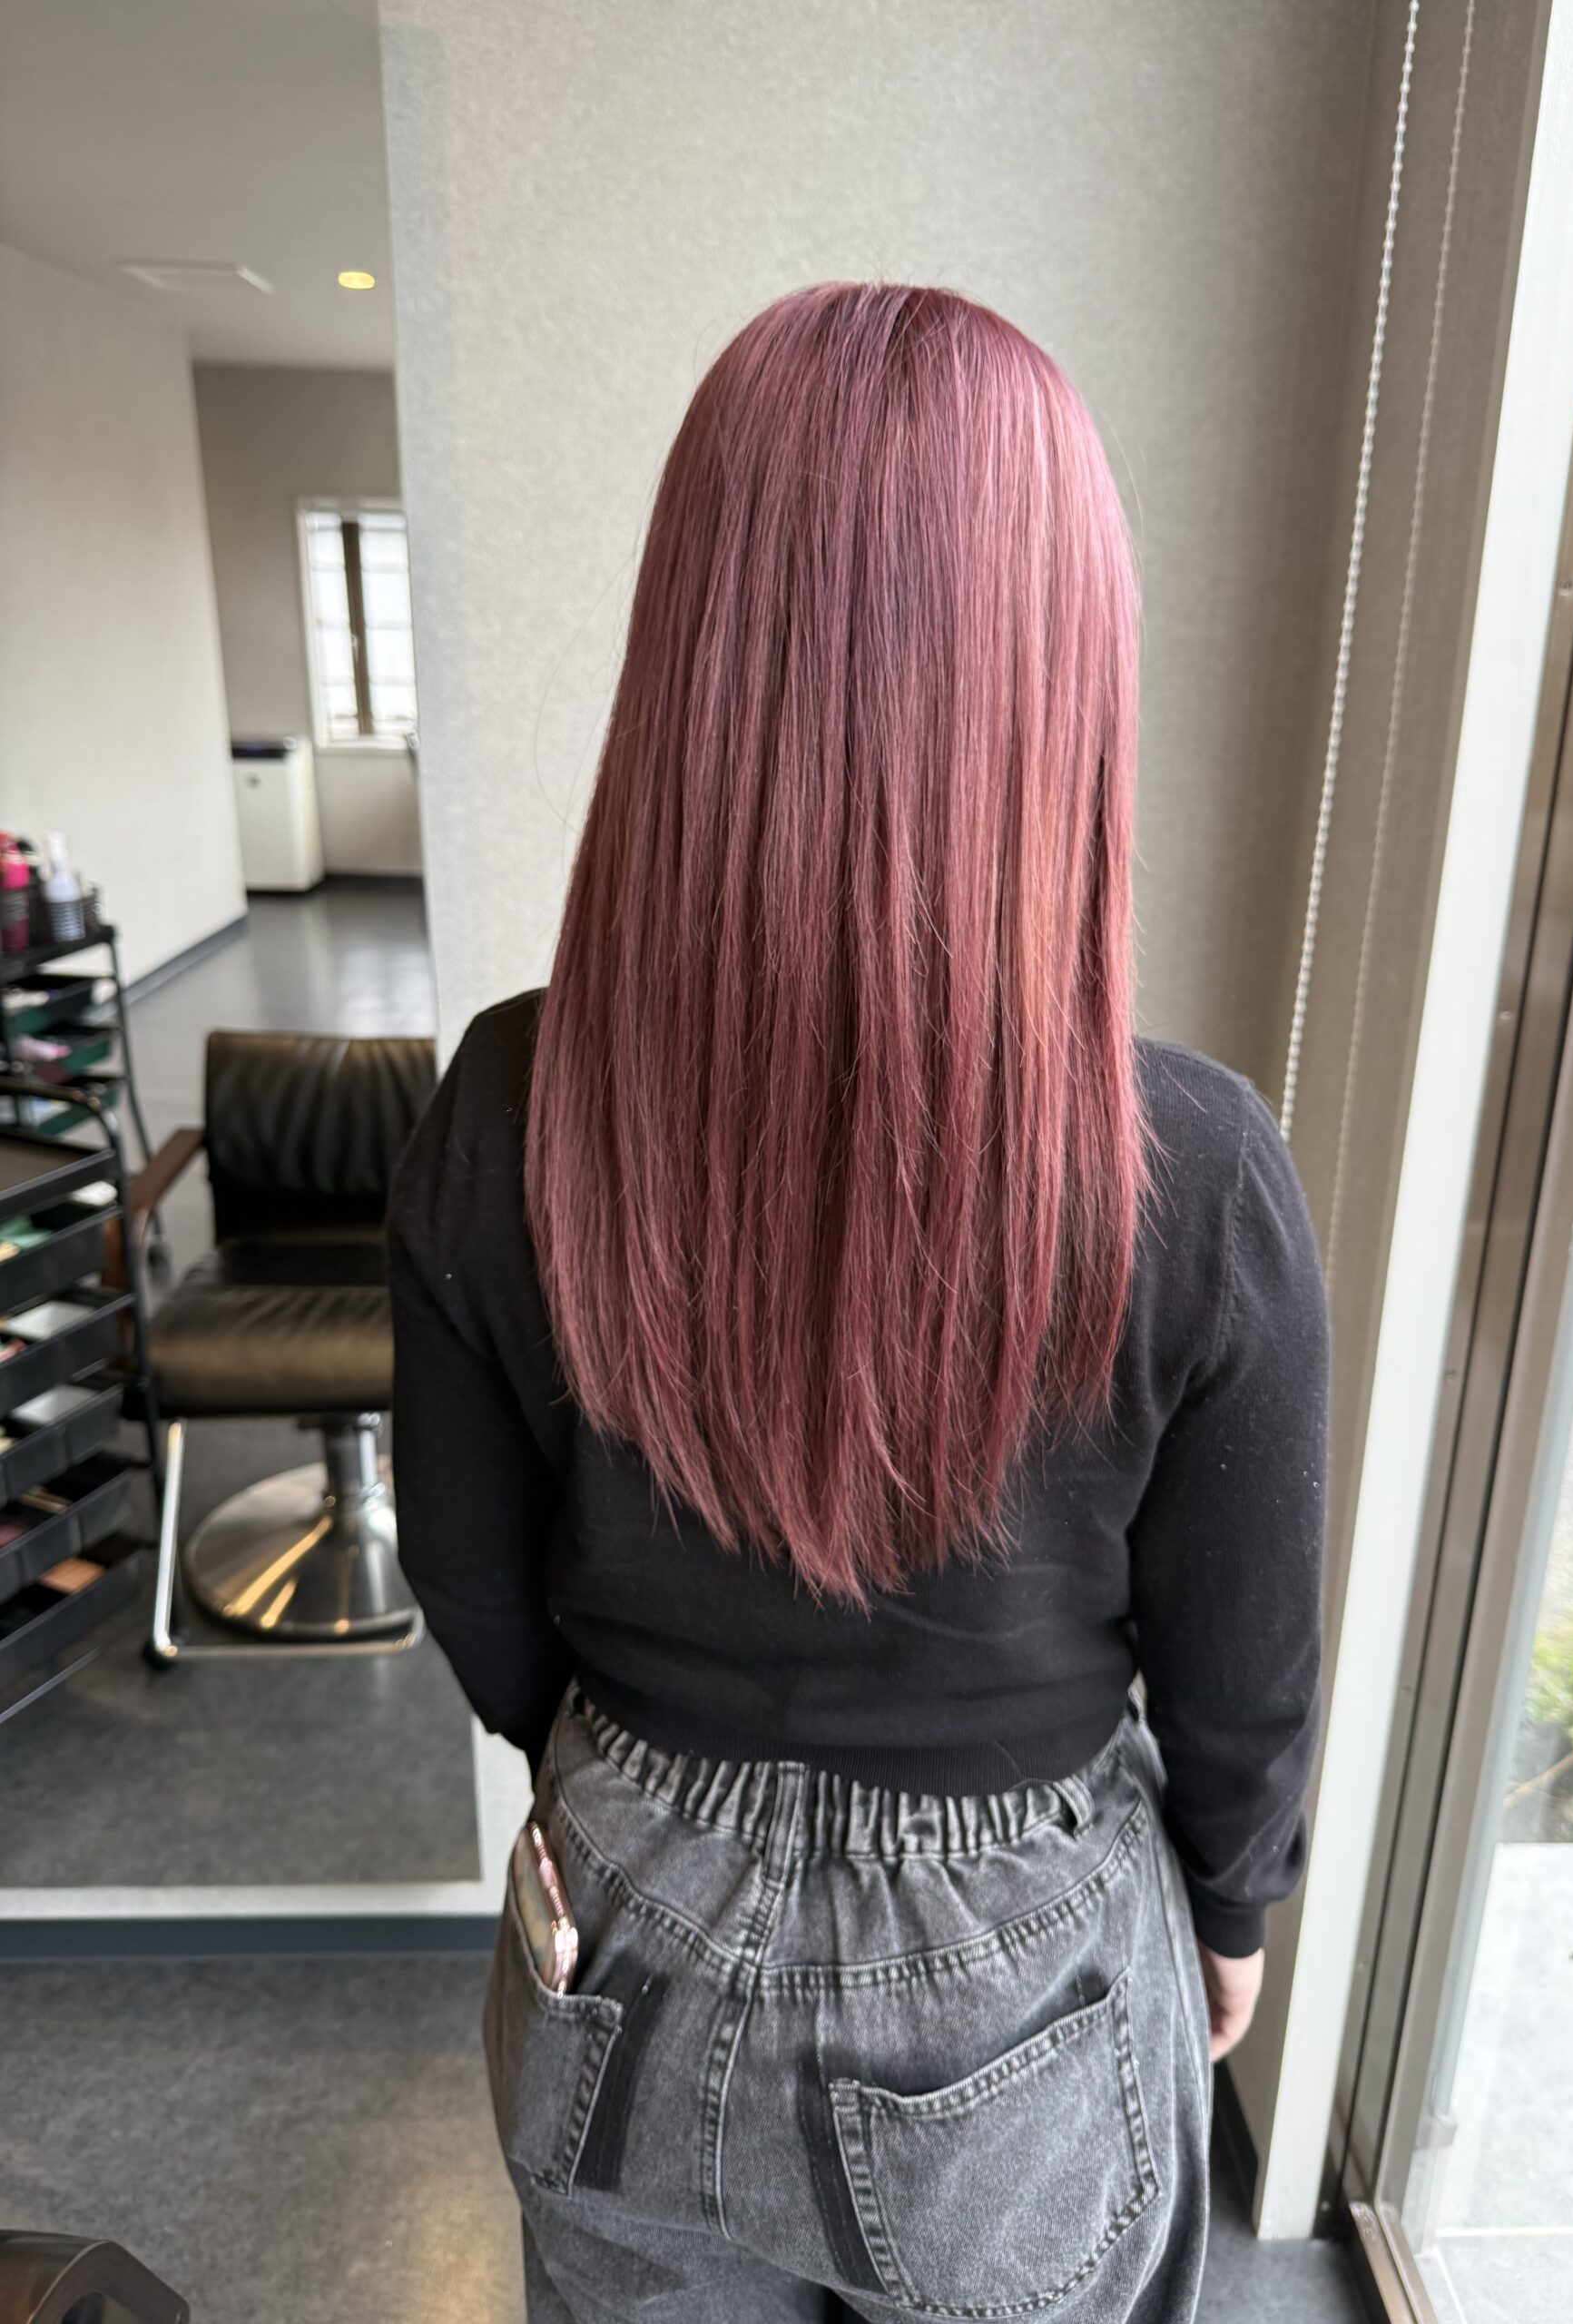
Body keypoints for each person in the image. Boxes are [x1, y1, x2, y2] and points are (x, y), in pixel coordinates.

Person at [386, 280, 1332, 2324]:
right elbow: (1242, 1661)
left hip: (621, 1908)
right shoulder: (1195, 1168)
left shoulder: (504, 1101)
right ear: (1061, 683)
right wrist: (1235, 1899)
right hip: (1019, 1974)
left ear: (694, 655)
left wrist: (622, 1777)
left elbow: (463, 1579)